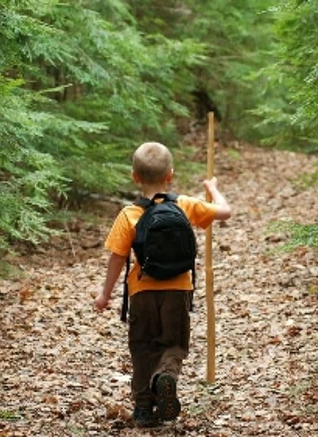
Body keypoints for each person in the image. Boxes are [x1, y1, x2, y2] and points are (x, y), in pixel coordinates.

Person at [94, 142, 231, 427]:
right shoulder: (184, 205)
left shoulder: (129, 215)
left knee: (143, 346)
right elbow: (225, 211)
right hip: (178, 290)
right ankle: (165, 376)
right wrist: (213, 187)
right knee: (174, 344)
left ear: (135, 177)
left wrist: (104, 294)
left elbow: (117, 258)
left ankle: (143, 407)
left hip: (142, 291)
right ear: (170, 175)